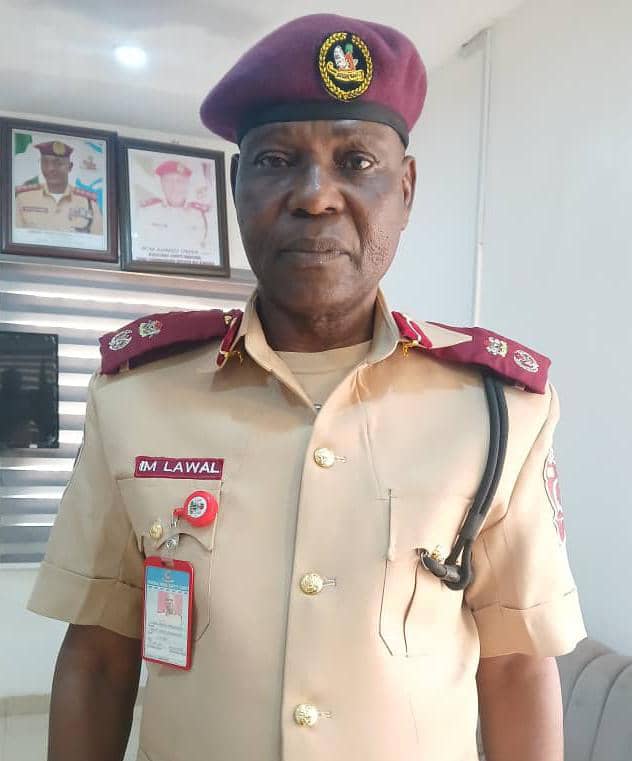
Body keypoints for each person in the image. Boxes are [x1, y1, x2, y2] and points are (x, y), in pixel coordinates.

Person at [28, 13, 586, 761]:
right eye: (276, 160)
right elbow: (99, 654)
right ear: (235, 186)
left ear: (406, 189)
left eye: (356, 161)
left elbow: (516, 665)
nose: (316, 196)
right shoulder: (135, 398)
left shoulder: (499, 412)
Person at [14, 141, 103, 235]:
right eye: (45, 162)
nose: (50, 168)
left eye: (58, 163)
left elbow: (98, 239)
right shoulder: (23, 198)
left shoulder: (88, 203)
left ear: (70, 167)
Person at [136, 160, 209, 254]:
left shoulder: (202, 214)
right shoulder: (147, 211)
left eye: (180, 181)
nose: (174, 186)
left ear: (188, 184)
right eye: (168, 181)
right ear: (161, 183)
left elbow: (209, 248)